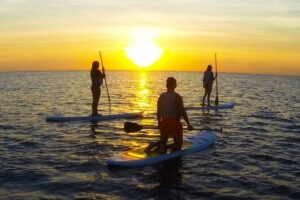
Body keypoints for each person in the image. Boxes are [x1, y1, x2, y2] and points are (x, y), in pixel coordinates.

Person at [145, 77, 194, 154]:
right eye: (176, 83)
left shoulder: (162, 96)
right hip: (174, 123)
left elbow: (159, 111)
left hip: (163, 122)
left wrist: (159, 122)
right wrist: (188, 124)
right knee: (178, 146)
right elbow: (183, 111)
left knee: (163, 142)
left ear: (166, 85)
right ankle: (163, 147)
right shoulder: (177, 96)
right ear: (174, 85)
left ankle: (155, 144)